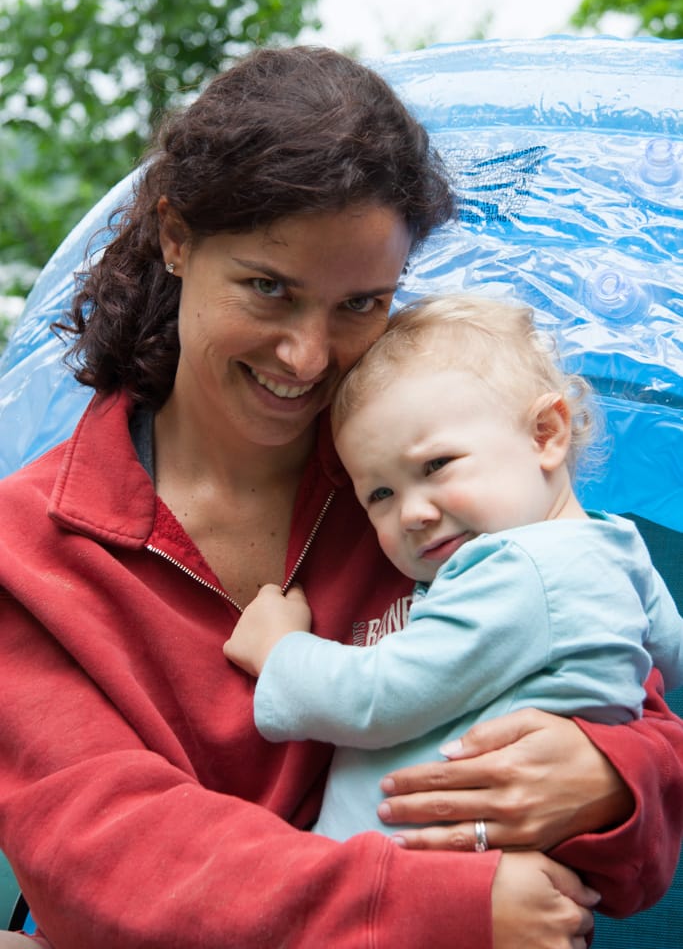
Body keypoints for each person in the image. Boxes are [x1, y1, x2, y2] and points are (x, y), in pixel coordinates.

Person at [0, 46, 681, 949]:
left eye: (361, 303)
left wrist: (611, 777)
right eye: (268, 288)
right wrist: (434, 906)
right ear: (174, 237)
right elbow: (113, 855)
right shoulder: (27, 550)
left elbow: (648, 722)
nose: (308, 357)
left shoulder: (432, 479)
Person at [223, 293, 683, 844]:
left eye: (436, 465)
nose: (413, 513)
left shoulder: (518, 571)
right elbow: (669, 661)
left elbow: (382, 697)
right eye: (380, 493)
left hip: (417, 869)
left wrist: (280, 652)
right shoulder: (620, 550)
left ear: (545, 434)